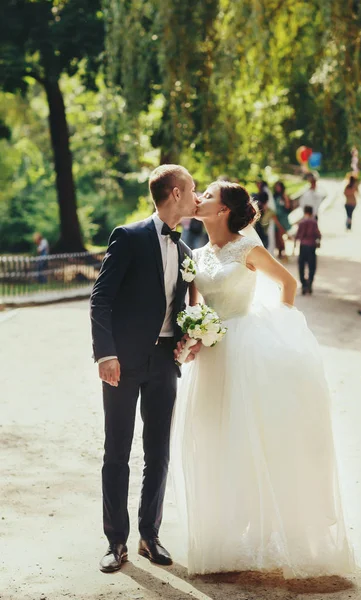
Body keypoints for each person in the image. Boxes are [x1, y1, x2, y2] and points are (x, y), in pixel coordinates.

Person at [172, 181, 354, 579]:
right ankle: (228, 541)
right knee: (216, 440)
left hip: (248, 350)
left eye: (207, 195)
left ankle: (271, 535)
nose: (199, 197)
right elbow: (196, 304)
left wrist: (281, 329)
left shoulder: (247, 247)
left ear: (223, 211)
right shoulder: (195, 254)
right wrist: (195, 335)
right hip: (213, 354)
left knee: (252, 438)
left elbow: (287, 284)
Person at [90, 164, 200, 573]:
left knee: (159, 452)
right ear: (174, 193)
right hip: (123, 361)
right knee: (116, 451)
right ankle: (115, 541)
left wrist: (190, 340)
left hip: (165, 363)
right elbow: (100, 299)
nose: (197, 197)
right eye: (192, 190)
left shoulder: (187, 250)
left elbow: (185, 309)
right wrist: (106, 354)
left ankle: (148, 536)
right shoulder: (129, 236)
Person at [295, 205, 321, 295]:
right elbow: (318, 234)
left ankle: (303, 284)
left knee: (301, 266)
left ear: (305, 212)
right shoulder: (314, 222)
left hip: (303, 246)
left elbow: (298, 235)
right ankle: (310, 283)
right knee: (312, 266)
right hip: (311, 246)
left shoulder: (302, 222)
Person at [273, 181, 291, 260]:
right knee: (277, 236)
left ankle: (283, 252)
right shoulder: (274, 197)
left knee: (281, 236)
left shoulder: (284, 197)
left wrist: (285, 198)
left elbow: (288, 208)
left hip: (283, 219)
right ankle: (280, 251)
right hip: (276, 218)